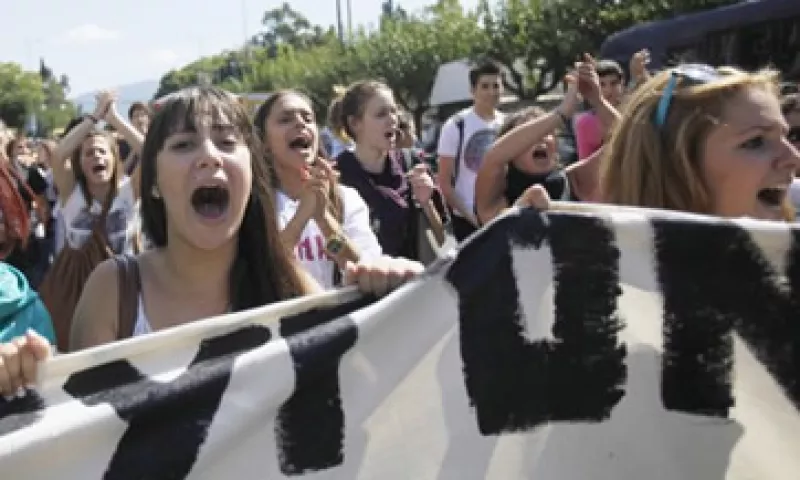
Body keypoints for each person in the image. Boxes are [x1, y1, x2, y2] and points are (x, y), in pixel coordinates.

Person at [0, 87, 421, 394]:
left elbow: (358, 388)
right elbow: (81, 437)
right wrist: (22, 379)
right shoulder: (113, 291)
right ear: (156, 183)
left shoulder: (287, 281)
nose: (209, 156)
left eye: (226, 142)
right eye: (183, 144)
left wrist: (392, 297)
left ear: (251, 171)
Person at [254, 90, 385, 290]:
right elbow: (264, 273)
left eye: (308, 118)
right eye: (285, 119)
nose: (300, 124)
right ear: (263, 142)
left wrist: (324, 220)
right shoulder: (252, 204)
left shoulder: (345, 198)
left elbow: (366, 269)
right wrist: (302, 215)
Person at [336, 81, 447, 259]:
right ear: (355, 123)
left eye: (394, 111)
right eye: (381, 114)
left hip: (414, 281)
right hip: (361, 283)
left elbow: (441, 240)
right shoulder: (336, 175)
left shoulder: (412, 163)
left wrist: (427, 204)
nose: (392, 119)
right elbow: (328, 246)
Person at [436, 59, 505, 242]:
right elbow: (444, 182)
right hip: (468, 220)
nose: (492, 92)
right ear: (473, 91)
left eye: (496, 86)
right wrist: (471, 217)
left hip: (501, 216)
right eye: (485, 86)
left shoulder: (508, 124)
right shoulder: (456, 125)